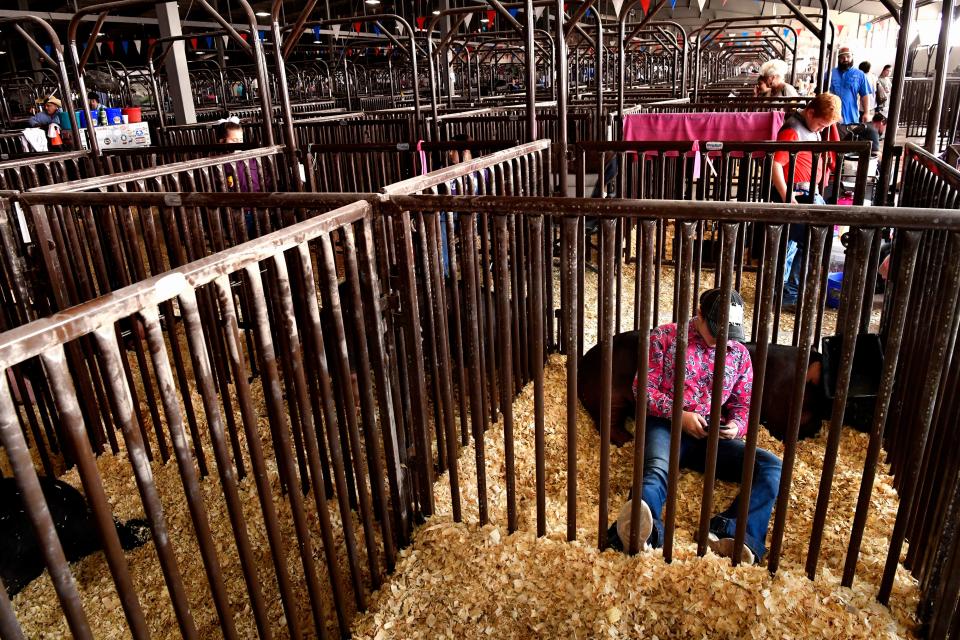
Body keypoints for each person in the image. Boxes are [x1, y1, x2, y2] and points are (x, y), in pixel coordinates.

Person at [607, 288, 782, 566]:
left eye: (729, 335)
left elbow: (744, 403)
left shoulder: (738, 354)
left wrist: (736, 426)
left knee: (771, 467)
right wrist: (680, 415)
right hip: (666, 425)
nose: (723, 341)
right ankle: (643, 528)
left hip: (711, 432)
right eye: (716, 331)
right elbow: (643, 389)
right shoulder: (664, 337)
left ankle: (734, 533)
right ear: (699, 314)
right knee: (654, 469)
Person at [770, 93, 842, 311]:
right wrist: (786, 196)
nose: (821, 129)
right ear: (810, 113)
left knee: (792, 244)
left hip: (806, 192)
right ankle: (790, 294)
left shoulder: (809, 129)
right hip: (798, 194)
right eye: (821, 124)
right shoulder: (793, 130)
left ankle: (781, 291)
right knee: (809, 241)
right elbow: (776, 164)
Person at [830, 47, 873, 125]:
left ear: (852, 57)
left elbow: (865, 95)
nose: (845, 59)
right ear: (838, 59)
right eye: (842, 57)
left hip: (851, 117)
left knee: (850, 136)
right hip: (832, 117)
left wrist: (867, 112)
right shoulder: (830, 73)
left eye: (848, 56)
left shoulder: (860, 74)